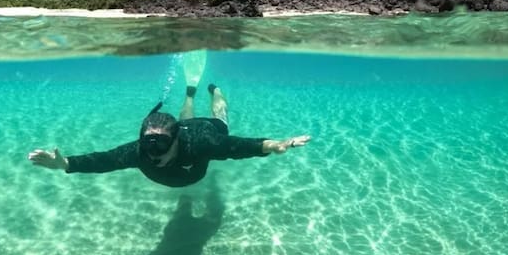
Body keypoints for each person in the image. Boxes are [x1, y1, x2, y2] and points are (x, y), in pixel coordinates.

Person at [28, 84, 311, 188]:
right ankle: (189, 93)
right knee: (185, 115)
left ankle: (216, 92)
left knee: (220, 119)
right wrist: (64, 164)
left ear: (175, 141)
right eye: (149, 145)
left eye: (161, 146)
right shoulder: (139, 151)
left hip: (205, 129)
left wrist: (276, 145)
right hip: (185, 129)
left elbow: (240, 147)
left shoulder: (203, 143)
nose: (154, 154)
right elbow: (103, 161)